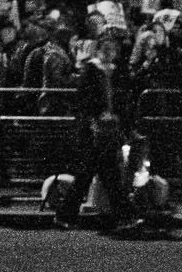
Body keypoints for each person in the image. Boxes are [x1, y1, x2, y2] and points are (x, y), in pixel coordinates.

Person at [54, 35, 142, 232]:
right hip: (94, 130)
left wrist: (122, 120)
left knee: (98, 175)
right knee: (104, 175)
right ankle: (124, 216)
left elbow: (122, 99)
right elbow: (84, 99)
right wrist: (95, 116)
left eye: (113, 49)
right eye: (107, 48)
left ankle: (66, 215)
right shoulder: (92, 71)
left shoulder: (116, 72)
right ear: (100, 50)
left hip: (110, 129)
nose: (110, 53)